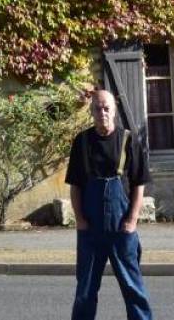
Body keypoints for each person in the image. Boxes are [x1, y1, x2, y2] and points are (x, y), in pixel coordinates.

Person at [65, 88, 153, 320]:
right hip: (90, 229)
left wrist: (132, 221)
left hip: (121, 226)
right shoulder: (81, 142)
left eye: (106, 108)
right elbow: (75, 186)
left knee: (133, 288)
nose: (102, 112)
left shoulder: (129, 140)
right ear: (91, 111)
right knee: (85, 290)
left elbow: (139, 184)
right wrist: (80, 221)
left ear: (114, 111)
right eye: (97, 108)